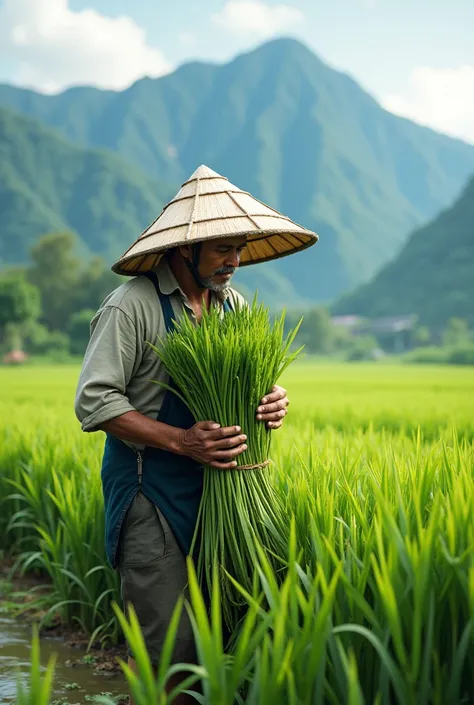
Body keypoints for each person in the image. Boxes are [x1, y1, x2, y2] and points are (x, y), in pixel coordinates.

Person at [74, 165, 317, 704]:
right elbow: (94, 401)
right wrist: (181, 441)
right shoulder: (132, 305)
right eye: (223, 250)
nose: (235, 262)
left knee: (225, 641)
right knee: (172, 656)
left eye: (239, 249)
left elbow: (252, 381)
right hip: (151, 496)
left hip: (220, 497)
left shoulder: (235, 308)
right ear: (185, 250)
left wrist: (272, 399)